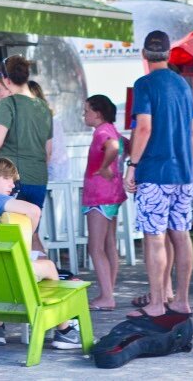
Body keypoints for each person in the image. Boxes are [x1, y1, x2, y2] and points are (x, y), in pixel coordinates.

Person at [0, 157, 82, 350]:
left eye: (14, 180)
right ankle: (64, 331)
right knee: (47, 266)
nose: (12, 184)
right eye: (7, 178)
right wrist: (25, 244)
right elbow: (33, 211)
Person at [123, 30, 193, 319]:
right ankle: (182, 300)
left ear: (144, 54)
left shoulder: (144, 84)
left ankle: (155, 302)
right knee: (181, 234)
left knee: (154, 237)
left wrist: (132, 165)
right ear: (168, 54)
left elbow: (144, 127)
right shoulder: (183, 85)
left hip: (154, 170)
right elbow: (191, 133)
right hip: (183, 171)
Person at [0, 56, 52, 211]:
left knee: (8, 231)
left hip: (11, 179)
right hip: (38, 179)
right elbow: (48, 151)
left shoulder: (7, 103)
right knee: (30, 231)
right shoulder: (43, 106)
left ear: (5, 79)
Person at [81, 94, 126, 311]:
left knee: (95, 247)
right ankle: (108, 291)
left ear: (97, 113)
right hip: (113, 194)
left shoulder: (102, 132)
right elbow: (126, 144)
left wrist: (105, 166)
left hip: (99, 195)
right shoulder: (112, 129)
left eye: (87, 110)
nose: (84, 114)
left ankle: (107, 296)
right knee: (109, 245)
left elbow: (115, 147)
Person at [30, 81, 70, 183]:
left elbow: (48, 152)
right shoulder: (48, 117)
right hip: (57, 167)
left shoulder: (43, 119)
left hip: (52, 169)